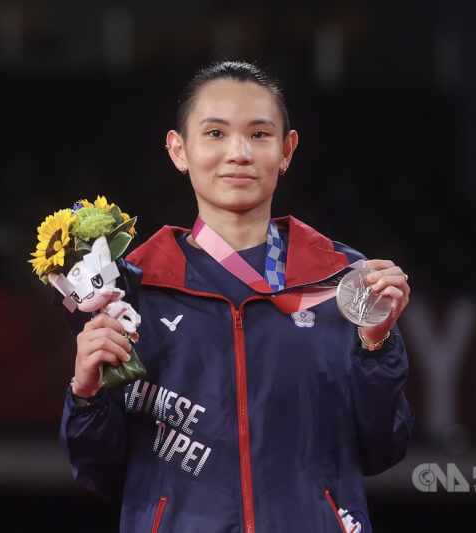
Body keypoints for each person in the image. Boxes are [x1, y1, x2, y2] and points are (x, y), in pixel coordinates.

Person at [60, 60, 414, 533]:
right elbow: (100, 473)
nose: (239, 153)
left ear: (287, 150)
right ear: (178, 150)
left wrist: (377, 345)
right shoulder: (132, 290)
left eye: (260, 135)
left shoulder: (343, 283)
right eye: (215, 134)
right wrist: (85, 396)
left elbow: (383, 448)